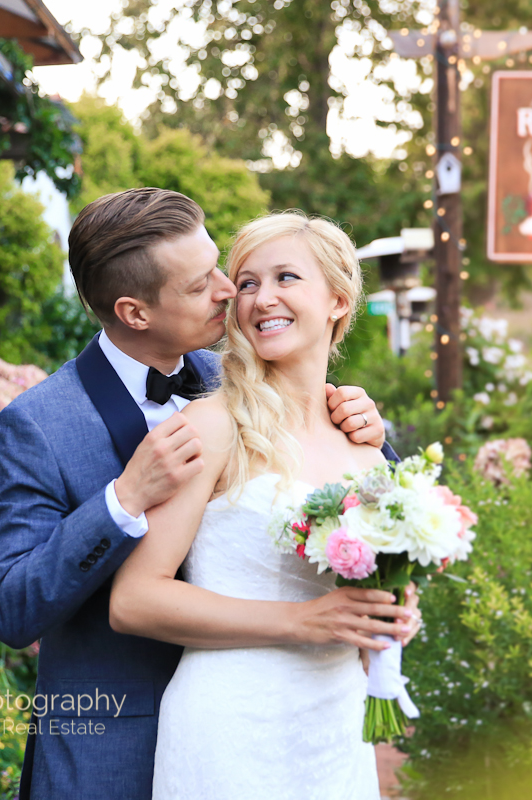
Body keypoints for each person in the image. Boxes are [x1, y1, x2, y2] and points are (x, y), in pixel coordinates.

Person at [0, 189, 421, 800]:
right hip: (115, 745)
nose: (227, 290)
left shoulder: (246, 384)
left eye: (220, 266)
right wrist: (123, 499)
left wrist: (371, 434)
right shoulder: (41, 425)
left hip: (299, 725)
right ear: (136, 313)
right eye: (200, 284)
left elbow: (347, 498)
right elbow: (9, 609)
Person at [110, 211, 402, 799]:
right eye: (246, 283)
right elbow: (134, 600)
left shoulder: (367, 452)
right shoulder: (212, 426)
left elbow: (373, 601)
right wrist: (300, 622)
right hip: (229, 727)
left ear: (338, 301)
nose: (262, 297)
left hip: (336, 732)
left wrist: (393, 620)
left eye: (286, 278)